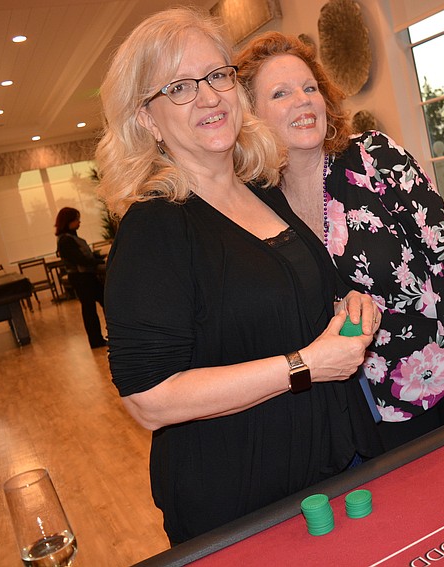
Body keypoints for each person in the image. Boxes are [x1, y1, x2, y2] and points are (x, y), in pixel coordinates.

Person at [95, 8, 383, 545]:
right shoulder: (156, 225)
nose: (208, 97)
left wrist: (349, 305)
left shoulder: (262, 189)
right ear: (147, 119)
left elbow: (300, 299)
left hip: (334, 465)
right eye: (178, 87)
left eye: (216, 75)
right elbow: (148, 399)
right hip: (243, 499)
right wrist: (304, 366)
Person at [236, 32, 444, 450]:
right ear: (251, 116)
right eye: (281, 93)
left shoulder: (374, 157)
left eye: (310, 88)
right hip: (371, 407)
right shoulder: (254, 203)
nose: (303, 100)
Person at [54, 207, 106, 348]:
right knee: (90, 310)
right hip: (81, 278)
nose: (79, 222)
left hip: (86, 277)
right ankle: (96, 341)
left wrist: (97, 257)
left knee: (100, 305)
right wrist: (100, 262)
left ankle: (100, 339)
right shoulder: (66, 240)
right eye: (77, 219)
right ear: (68, 221)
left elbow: (86, 256)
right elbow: (81, 260)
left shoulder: (72, 237)